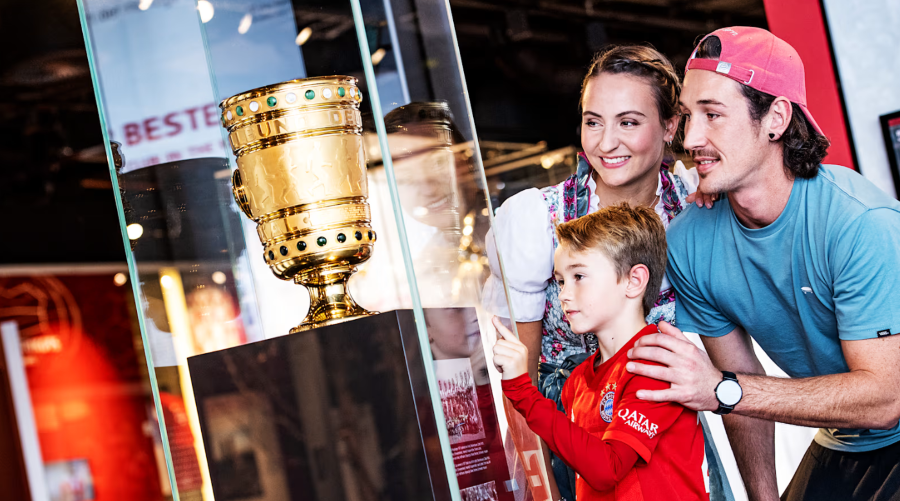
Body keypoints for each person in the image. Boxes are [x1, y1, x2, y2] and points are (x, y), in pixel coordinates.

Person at [626, 27, 900, 501]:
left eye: (713, 115)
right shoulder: (689, 241)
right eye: (689, 116)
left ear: (775, 117)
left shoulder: (858, 223)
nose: (692, 138)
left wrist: (722, 389)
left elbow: (885, 399)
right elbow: (737, 381)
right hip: (843, 437)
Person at [482, 45, 719, 500]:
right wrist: (537, 481)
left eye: (628, 122)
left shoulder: (694, 201)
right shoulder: (539, 219)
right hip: (568, 431)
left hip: (659, 425)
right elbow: (521, 374)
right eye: (593, 121)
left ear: (671, 126)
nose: (605, 143)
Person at [493, 204, 709, 500]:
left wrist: (523, 391)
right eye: (560, 281)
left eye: (579, 276)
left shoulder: (660, 364)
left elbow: (608, 468)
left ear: (634, 281)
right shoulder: (577, 381)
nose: (565, 294)